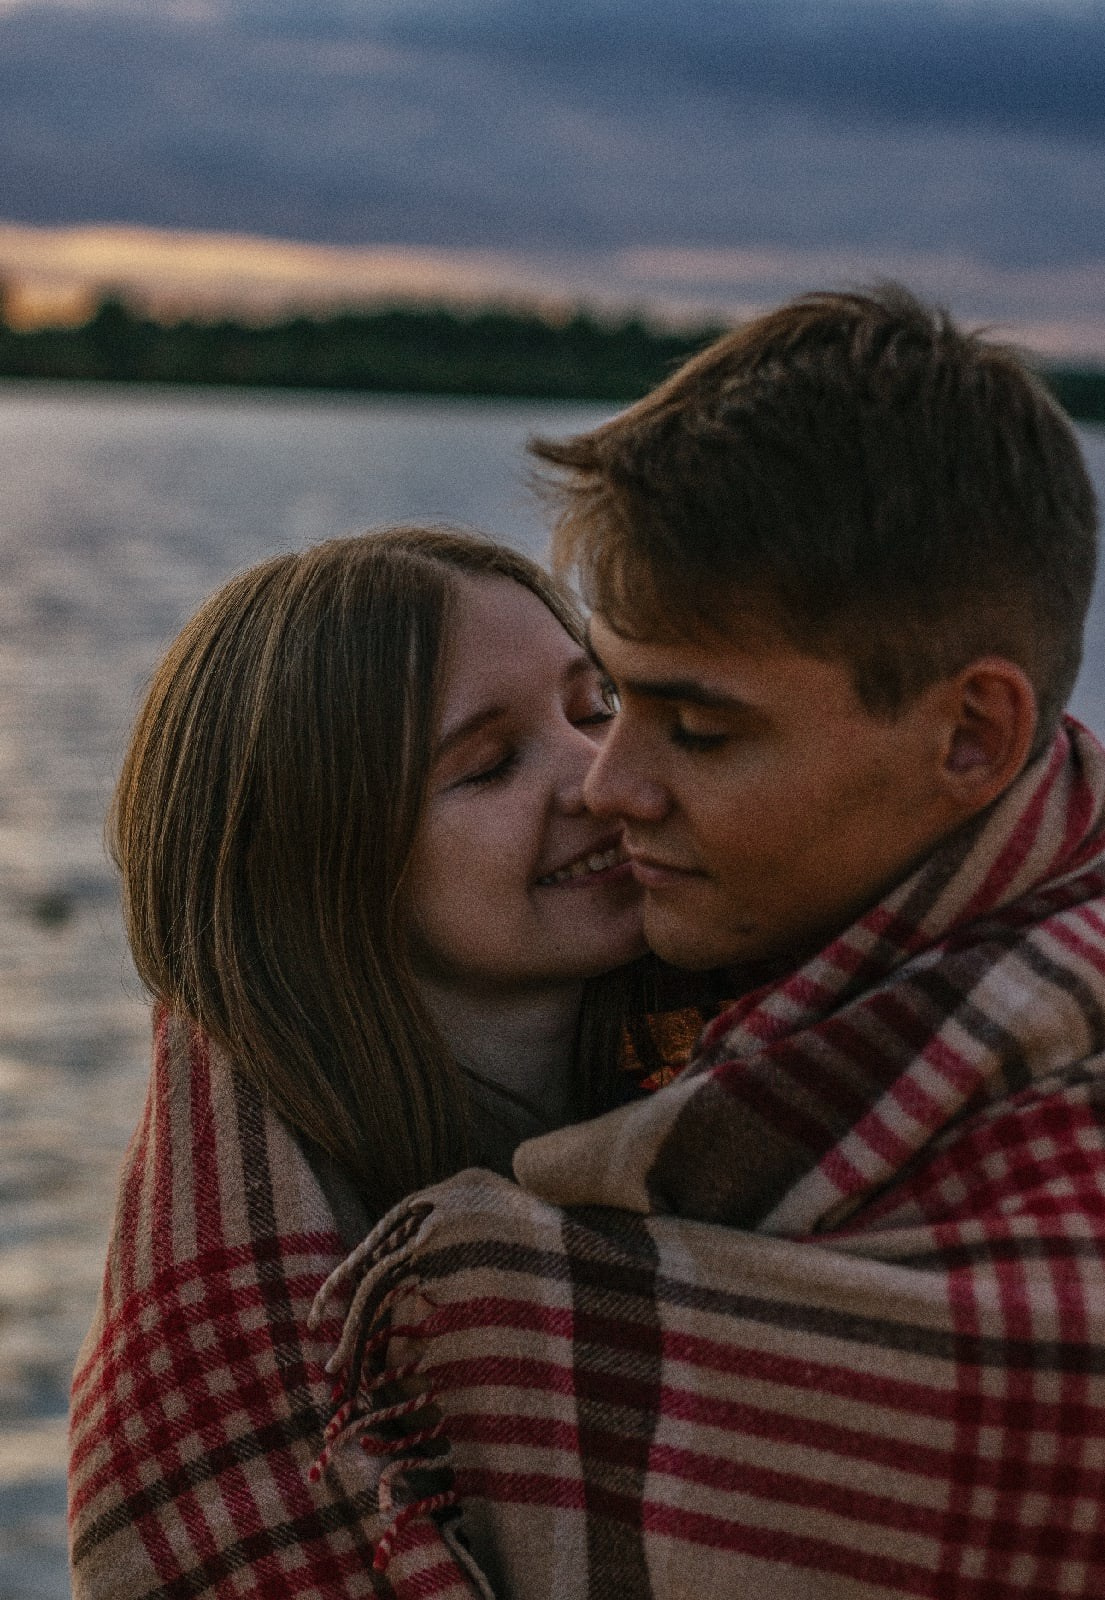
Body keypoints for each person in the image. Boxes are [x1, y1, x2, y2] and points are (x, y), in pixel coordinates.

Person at [312, 287, 1105, 1599]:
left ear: (969, 735)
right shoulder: (712, 998)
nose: (606, 788)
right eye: (612, 696)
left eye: (698, 730)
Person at [67, 526, 701, 1598]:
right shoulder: (250, 1332)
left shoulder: (745, 1086)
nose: (599, 774)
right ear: (320, 866)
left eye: (597, 708)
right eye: (489, 763)